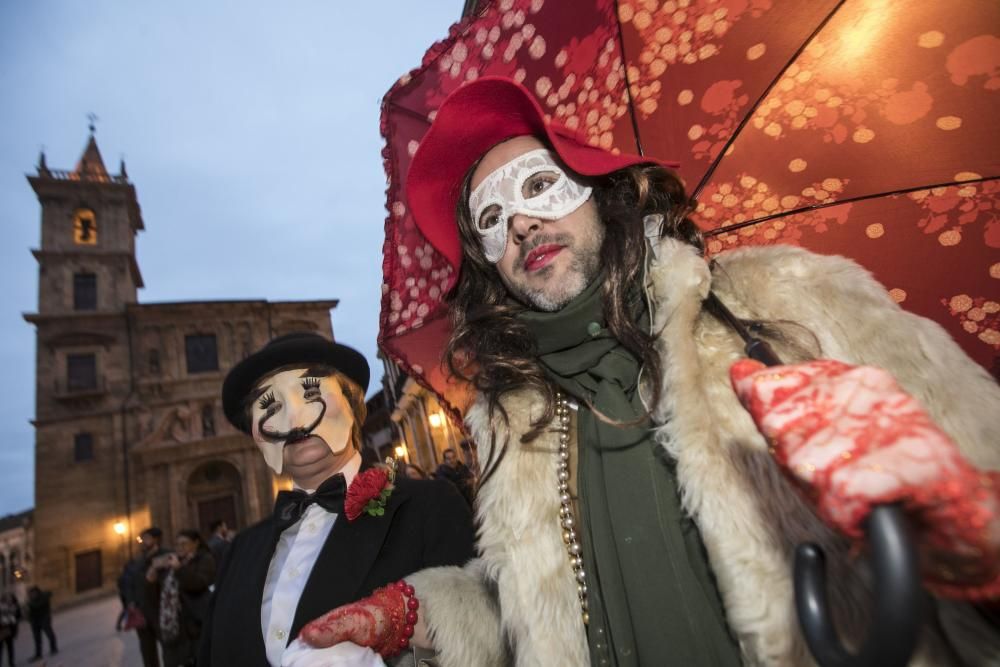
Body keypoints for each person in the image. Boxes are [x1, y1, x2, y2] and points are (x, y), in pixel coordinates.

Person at [300, 77, 1000, 666]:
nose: (520, 224)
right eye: (492, 217)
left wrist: (961, 519)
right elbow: (540, 605)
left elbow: (980, 453)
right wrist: (417, 610)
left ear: (598, 189)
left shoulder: (785, 300)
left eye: (539, 185)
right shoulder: (514, 423)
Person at [199, 332, 475, 666]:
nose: (294, 417)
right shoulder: (238, 552)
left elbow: (477, 640)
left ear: (353, 404)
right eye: (271, 406)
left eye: (311, 392)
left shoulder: (429, 508)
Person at [153, 530, 215, 667]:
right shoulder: (172, 562)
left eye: (184, 544)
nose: (179, 547)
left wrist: (179, 569)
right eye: (177, 544)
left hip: (197, 625)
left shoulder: (205, 559)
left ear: (196, 543)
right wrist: (153, 573)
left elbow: (199, 583)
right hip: (176, 628)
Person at [133, 527, 169, 667]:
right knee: (147, 651)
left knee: (168, 648)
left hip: (160, 610)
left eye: (146, 538)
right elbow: (131, 581)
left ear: (156, 539)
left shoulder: (166, 554)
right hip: (142, 611)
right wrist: (131, 602)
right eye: (142, 538)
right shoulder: (140, 559)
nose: (142, 541)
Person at [25, 586, 57, 662]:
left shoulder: (43, 597)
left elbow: (38, 605)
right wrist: (29, 618)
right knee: (37, 638)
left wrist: (30, 604)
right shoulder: (31, 601)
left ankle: (53, 648)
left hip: (44, 619)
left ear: (37, 592)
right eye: (31, 594)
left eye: (33, 593)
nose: (32, 595)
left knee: (49, 633)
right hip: (35, 621)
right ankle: (38, 654)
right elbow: (29, 612)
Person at [0, 593, 20, 667]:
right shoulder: (2, 606)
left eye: (10, 598)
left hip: (9, 629)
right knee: (2, 647)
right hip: (2, 629)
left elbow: (16, 618)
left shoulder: (14, 607)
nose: (9, 600)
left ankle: (11, 662)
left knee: (9, 646)